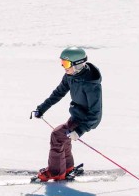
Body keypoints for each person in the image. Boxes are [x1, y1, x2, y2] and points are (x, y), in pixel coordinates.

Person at [30, 47, 103, 182]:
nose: (64, 67)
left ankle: (56, 172)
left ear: (78, 64)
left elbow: (96, 113)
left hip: (86, 119)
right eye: (62, 63)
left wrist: (80, 131)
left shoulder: (91, 85)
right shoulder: (71, 76)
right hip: (77, 115)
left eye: (66, 64)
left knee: (57, 136)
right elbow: (58, 92)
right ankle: (67, 167)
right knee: (63, 138)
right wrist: (42, 108)